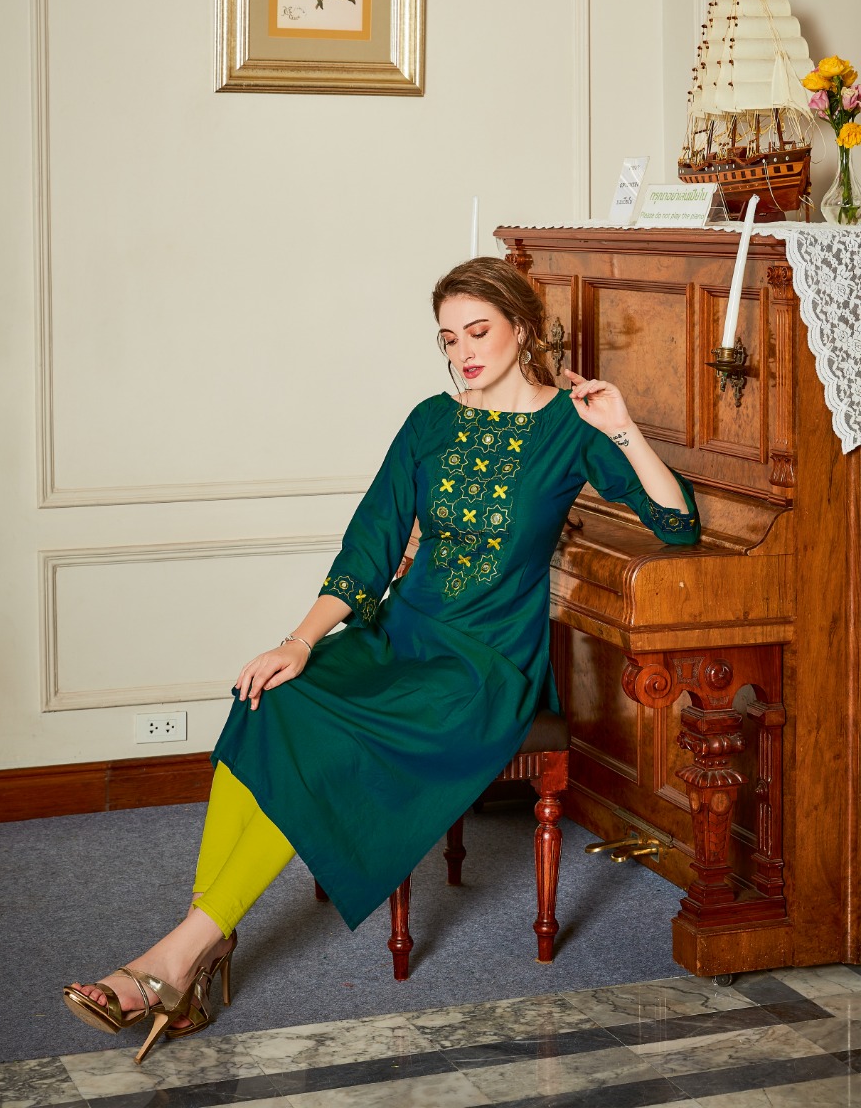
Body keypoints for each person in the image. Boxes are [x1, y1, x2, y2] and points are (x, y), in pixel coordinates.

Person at [63, 256, 700, 1062]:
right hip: (400, 635)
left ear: (522, 330)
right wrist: (298, 641)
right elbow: (370, 547)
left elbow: (677, 526)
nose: (463, 352)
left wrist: (620, 425)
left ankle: (177, 958)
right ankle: (197, 944)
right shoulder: (429, 422)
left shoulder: (572, 428)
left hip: (484, 668)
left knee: (330, 735)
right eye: (448, 338)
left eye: (478, 331)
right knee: (268, 695)